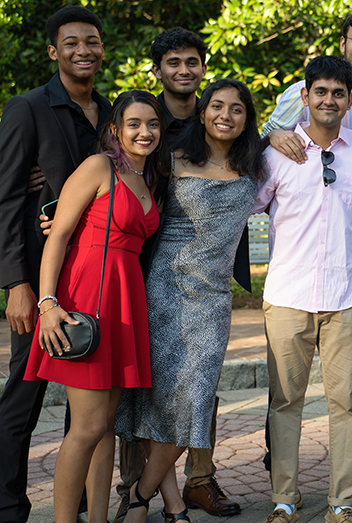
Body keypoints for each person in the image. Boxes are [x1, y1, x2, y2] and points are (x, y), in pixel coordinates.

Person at [259, 9, 352, 508]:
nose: (328, 100)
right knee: (284, 404)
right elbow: (248, 201)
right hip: (287, 294)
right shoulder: (277, 152)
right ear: (305, 96)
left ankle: (342, 502)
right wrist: (268, 138)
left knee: (347, 404)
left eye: (337, 94)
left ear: (348, 100)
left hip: (347, 295)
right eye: (319, 92)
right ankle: (283, 500)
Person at [115, 79, 266, 523]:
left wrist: (276, 134)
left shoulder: (259, 162)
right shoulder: (169, 159)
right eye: (216, 106)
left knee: (196, 400)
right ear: (201, 113)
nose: (225, 115)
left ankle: (140, 495)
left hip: (213, 298)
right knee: (157, 399)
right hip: (162, 288)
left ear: (246, 119)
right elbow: (125, 196)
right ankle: (173, 504)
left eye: (237, 109)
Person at [23, 90, 164, 523]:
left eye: (153, 124)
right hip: (88, 296)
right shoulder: (99, 165)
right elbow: (59, 235)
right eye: (135, 124)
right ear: (115, 130)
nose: (145, 132)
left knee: (105, 427)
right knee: (86, 427)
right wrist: (48, 304)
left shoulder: (149, 177)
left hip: (125, 301)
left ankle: (98, 519)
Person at [0, 6, 111, 522]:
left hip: (92, 275)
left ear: (102, 49)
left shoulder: (109, 112)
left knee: (84, 401)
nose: (83, 50)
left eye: (91, 42)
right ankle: (7, 505)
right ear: (53, 51)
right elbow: (5, 199)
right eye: (71, 43)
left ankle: (84, 503)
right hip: (41, 276)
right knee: (24, 392)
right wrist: (15, 284)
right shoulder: (28, 108)